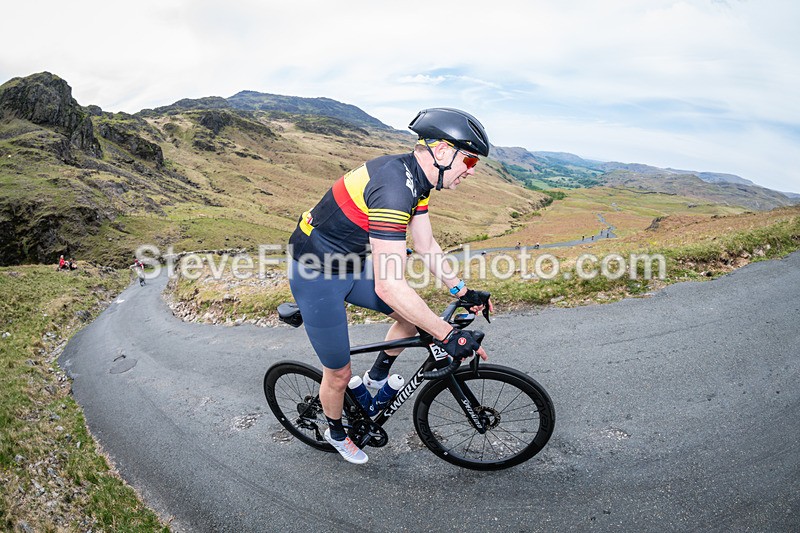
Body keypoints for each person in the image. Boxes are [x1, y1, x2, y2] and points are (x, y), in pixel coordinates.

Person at [287, 108, 493, 464]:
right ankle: (336, 433)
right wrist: (448, 335)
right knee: (338, 373)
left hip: (351, 263)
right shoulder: (394, 188)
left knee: (411, 317)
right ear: (443, 152)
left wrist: (461, 291)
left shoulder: (418, 180)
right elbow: (389, 286)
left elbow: (426, 245)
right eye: (470, 161)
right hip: (316, 274)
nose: (469, 172)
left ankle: (375, 381)